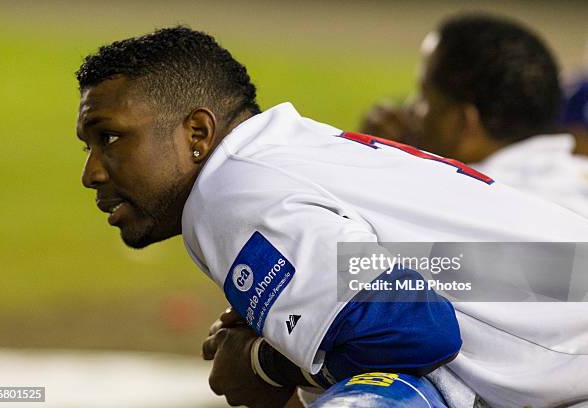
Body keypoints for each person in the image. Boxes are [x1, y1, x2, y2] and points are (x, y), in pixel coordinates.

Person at [75, 26, 588, 407]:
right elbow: (417, 300)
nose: (92, 172)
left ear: (197, 134)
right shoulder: (282, 152)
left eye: (111, 138)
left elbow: (418, 329)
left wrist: (264, 364)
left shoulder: (231, 190)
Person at [361, 13, 588, 218]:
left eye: (424, 97)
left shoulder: (451, 205)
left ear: (465, 122)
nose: (409, 110)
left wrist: (374, 167)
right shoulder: (577, 173)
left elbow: (353, 260)